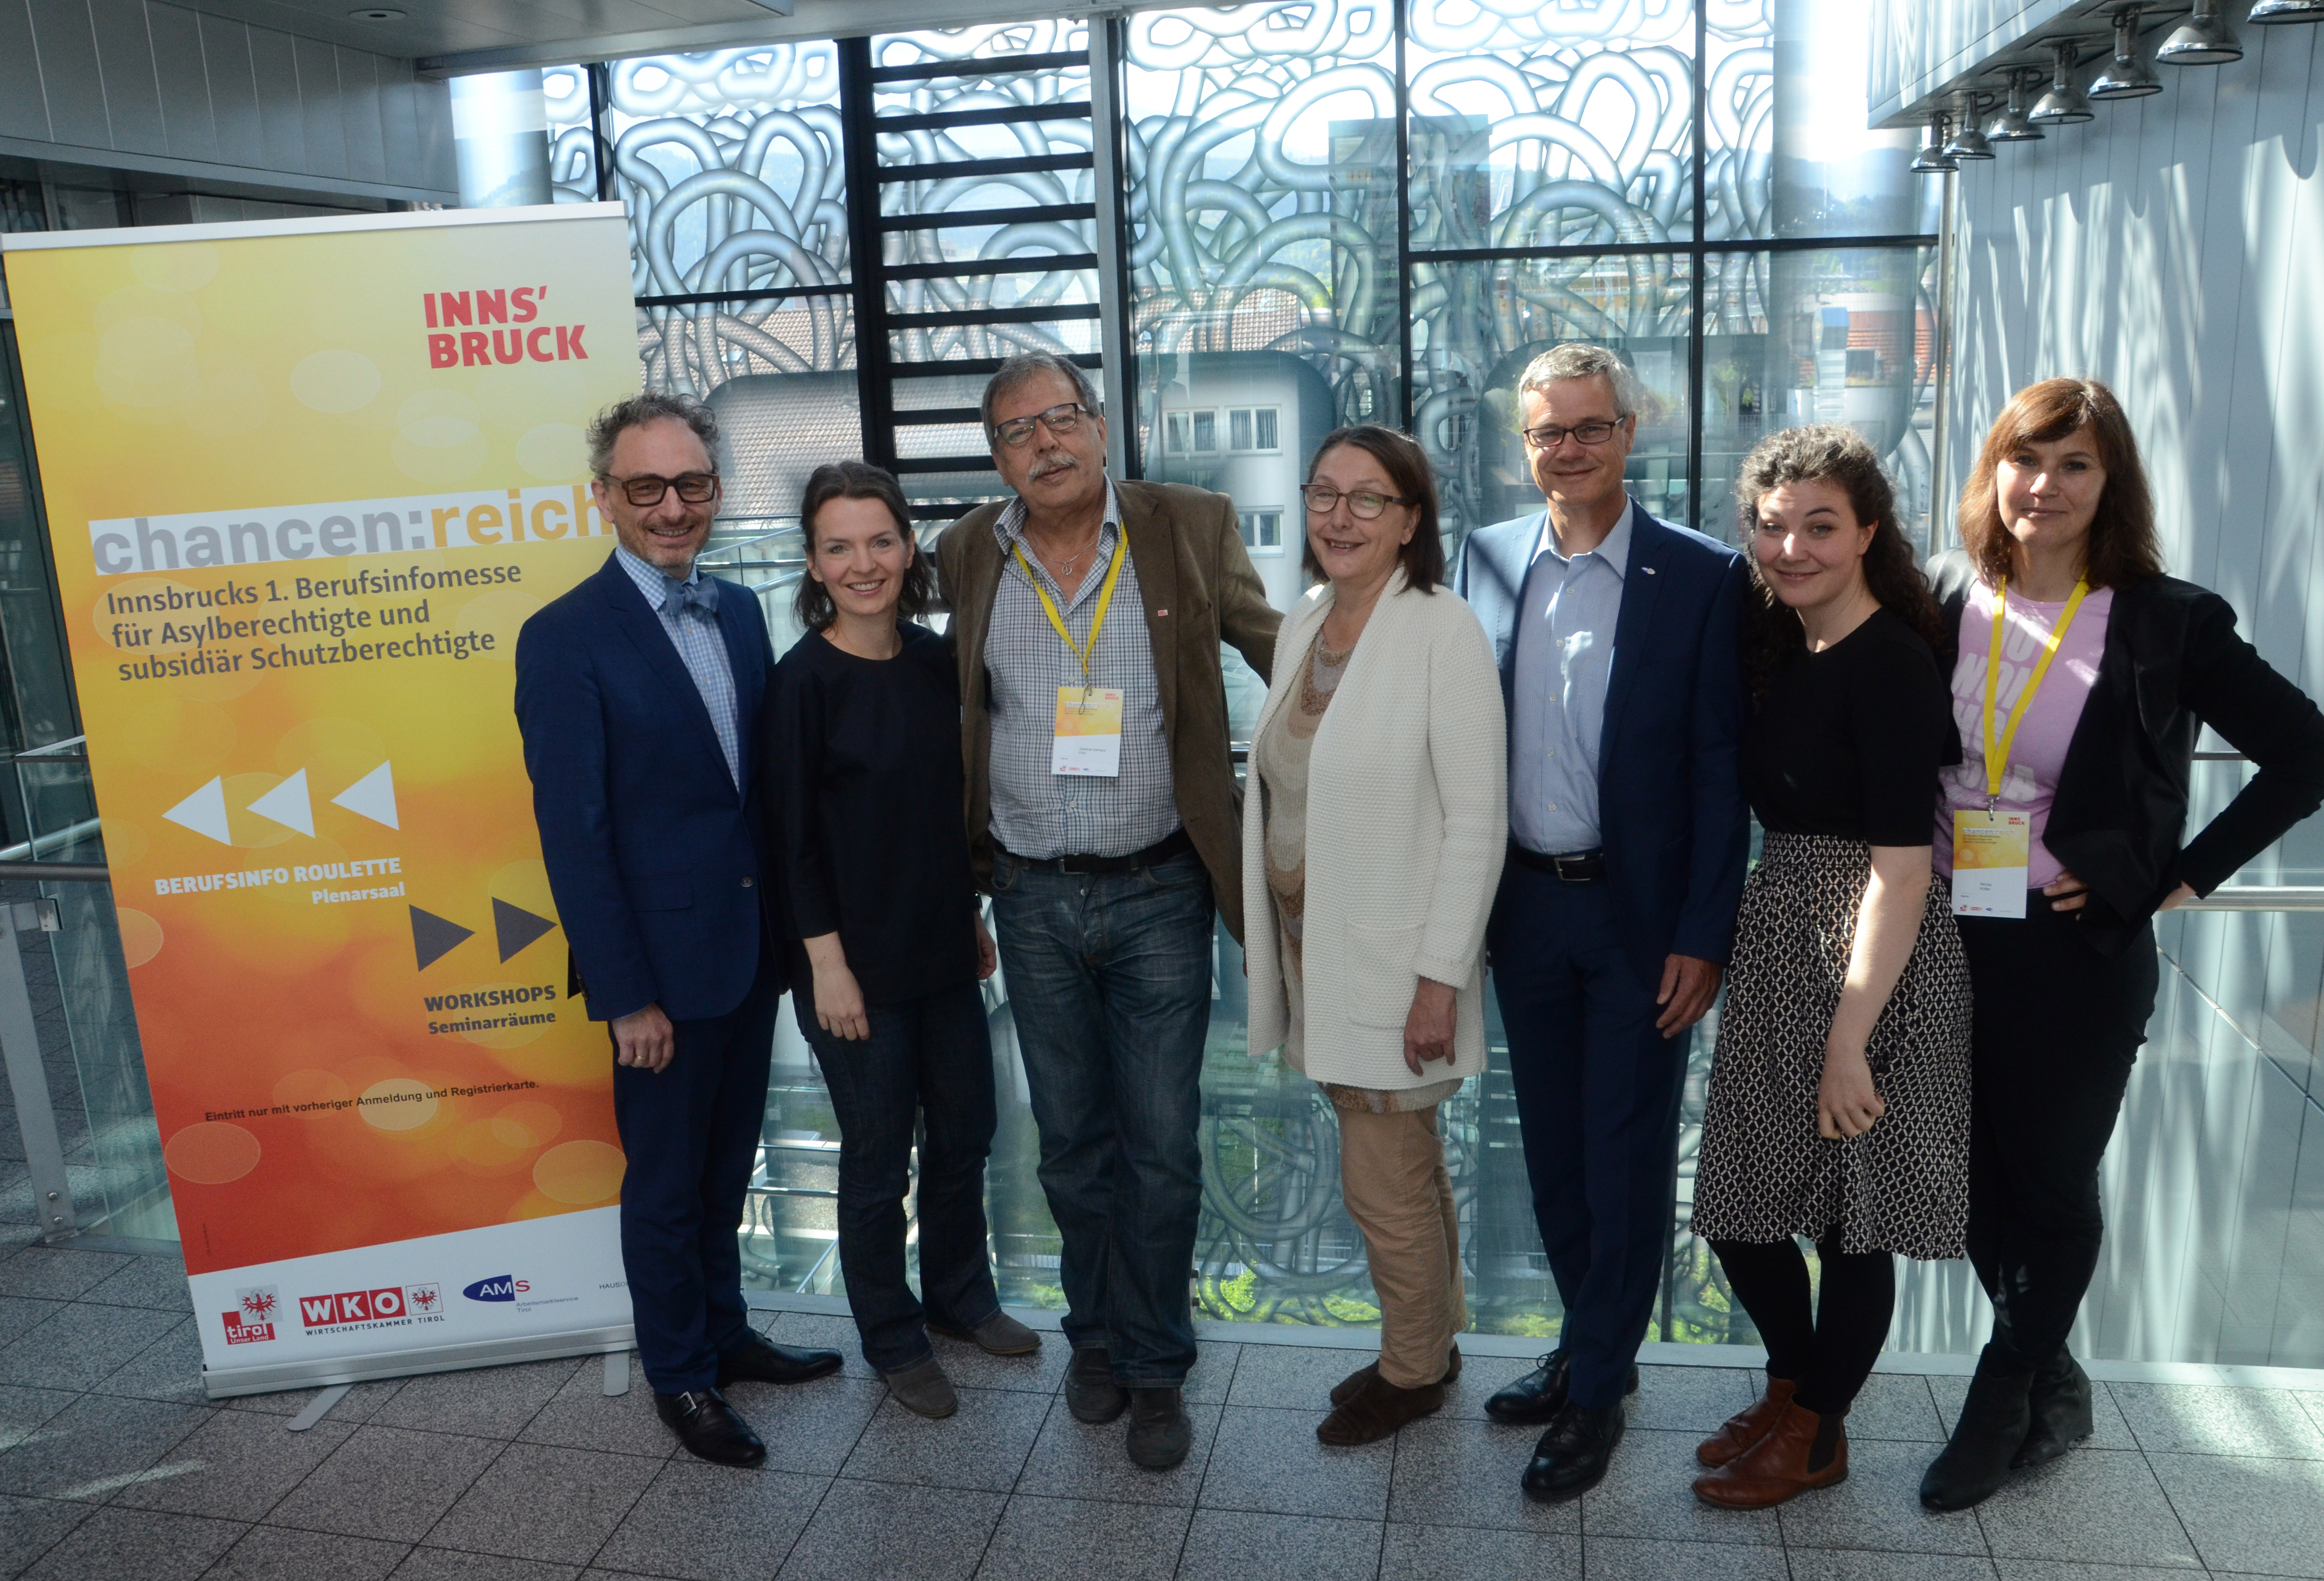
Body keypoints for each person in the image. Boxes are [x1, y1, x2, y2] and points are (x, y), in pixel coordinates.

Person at [1918, 378, 2324, 1509]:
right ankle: (2054, 1380)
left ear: (2111, 485)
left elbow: (2304, 754)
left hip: (2070, 951)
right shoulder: (1940, 594)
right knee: (1966, 1185)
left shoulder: (2163, 619)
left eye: (2074, 465)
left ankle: (2002, 1395)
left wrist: (2169, 878)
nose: (2042, 486)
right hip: (1941, 935)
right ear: (1992, 471)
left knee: (2047, 1183)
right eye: (2023, 459)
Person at [934, 351, 1281, 1469]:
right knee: (1072, 1147)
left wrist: (1387, 675)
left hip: (1159, 888)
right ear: (997, 459)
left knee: (1163, 1147)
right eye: (1017, 430)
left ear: (1096, 423)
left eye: (1060, 417)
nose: (1045, 442)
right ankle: (1095, 1340)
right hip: (1031, 894)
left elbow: (1276, 647)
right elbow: (944, 711)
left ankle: (1157, 1364)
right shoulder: (966, 551)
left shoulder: (1187, 524)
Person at [514, 392, 842, 1468]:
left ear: (716, 491)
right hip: (655, 978)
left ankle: (726, 1333)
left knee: (726, 1167)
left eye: (691, 484)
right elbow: (575, 837)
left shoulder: (741, 611)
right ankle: (682, 1375)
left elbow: (752, 794)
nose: (671, 507)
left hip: (745, 955)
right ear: (602, 497)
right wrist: (625, 997)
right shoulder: (563, 639)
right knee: (663, 1187)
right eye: (645, 486)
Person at [1454, 342, 1750, 1502]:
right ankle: (1591, 1350)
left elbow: (1719, 773)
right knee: (1550, 1156)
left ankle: (1593, 1395)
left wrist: (1703, 934)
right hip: (1523, 909)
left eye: (1588, 427)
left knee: (1623, 1159)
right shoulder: (1483, 560)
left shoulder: (1702, 576)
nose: (1567, 449)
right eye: (1547, 432)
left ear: (1629, 432)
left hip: (1641, 925)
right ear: (1522, 443)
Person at [1686, 426, 1968, 1508]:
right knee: (1739, 1203)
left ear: (1866, 534)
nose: (1791, 548)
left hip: (1874, 955)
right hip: (1781, 939)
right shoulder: (1781, 641)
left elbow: (1902, 869)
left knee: (1856, 1218)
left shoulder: (1890, 661)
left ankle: (1817, 1430)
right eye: (1771, 527)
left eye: (1818, 527)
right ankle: (1792, 1386)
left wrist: (1851, 1039)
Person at [1240, 426, 1507, 1446]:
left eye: (1367, 499)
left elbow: (1476, 820)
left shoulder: (1441, 628)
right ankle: (1429, 1344)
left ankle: (1410, 1374)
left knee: (1380, 1182)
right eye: (1323, 494)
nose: (1338, 517)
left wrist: (1438, 978)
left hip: (1395, 969)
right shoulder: (1307, 619)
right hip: (1319, 956)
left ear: (1408, 522)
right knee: (1407, 1168)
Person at [764, 461, 1035, 1421]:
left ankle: (960, 1299)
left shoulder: (932, 661)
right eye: (838, 547)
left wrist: (967, 915)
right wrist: (826, 966)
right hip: (852, 969)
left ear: (908, 546)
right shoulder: (800, 684)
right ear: (813, 563)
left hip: (940, 951)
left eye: (880, 540)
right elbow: (789, 841)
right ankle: (890, 1334)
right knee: (880, 1157)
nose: (863, 563)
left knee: (965, 1134)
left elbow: (940, 813)